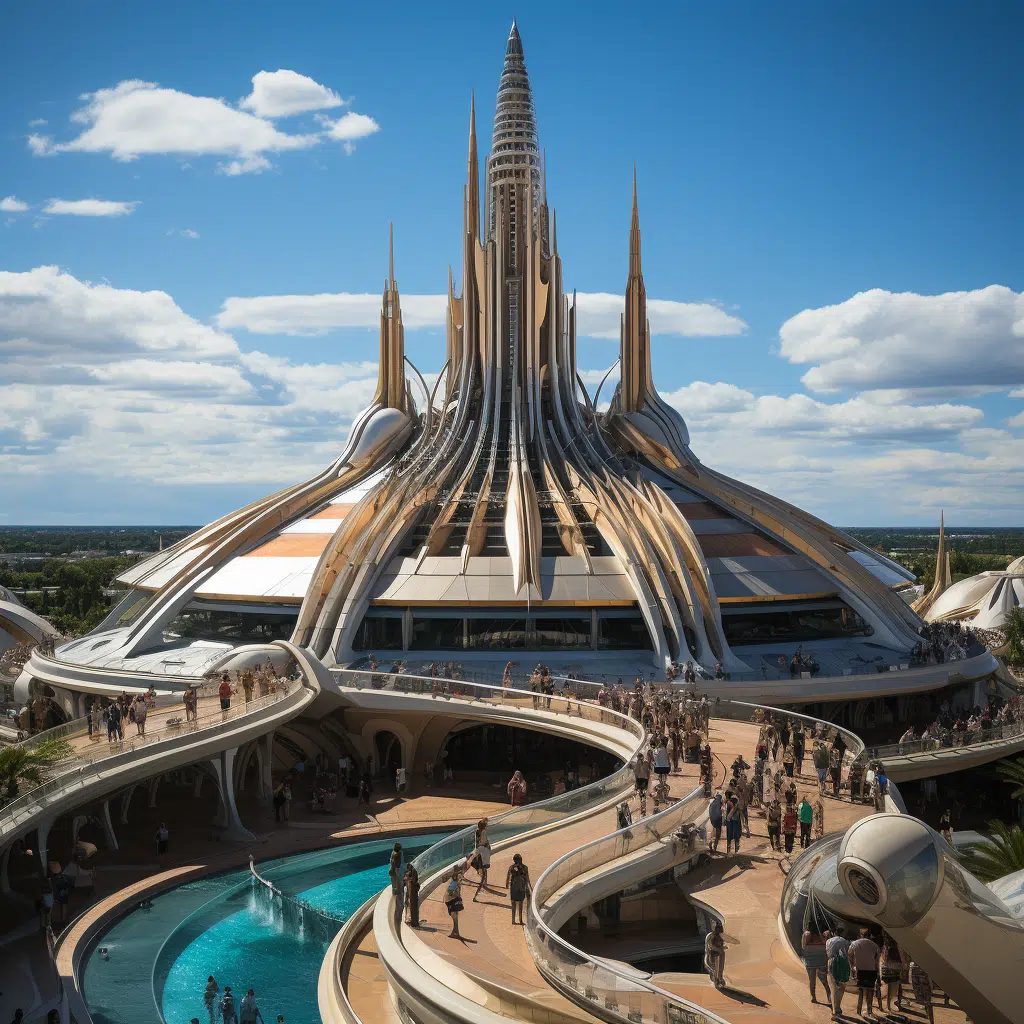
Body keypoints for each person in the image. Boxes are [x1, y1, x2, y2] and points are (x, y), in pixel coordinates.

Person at [847, 927, 880, 1018]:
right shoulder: (874, 945)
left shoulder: (854, 943)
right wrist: (877, 971)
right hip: (871, 970)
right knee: (870, 990)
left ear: (861, 935)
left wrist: (852, 965)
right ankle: (869, 1010)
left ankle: (859, 1010)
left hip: (860, 970)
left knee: (861, 991)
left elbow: (849, 955)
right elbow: (877, 960)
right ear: (869, 936)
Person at [801, 925, 832, 1006]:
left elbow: (804, 949)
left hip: (810, 963)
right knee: (823, 980)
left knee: (812, 980)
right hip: (821, 962)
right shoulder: (821, 939)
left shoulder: (806, 941)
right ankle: (828, 996)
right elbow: (826, 947)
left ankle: (814, 997)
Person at [825, 929, 851, 1020]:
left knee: (833, 986)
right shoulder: (845, 941)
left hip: (831, 961)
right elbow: (847, 953)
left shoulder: (828, 941)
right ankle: (836, 1010)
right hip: (842, 963)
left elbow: (827, 952)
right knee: (841, 985)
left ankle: (835, 1008)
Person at [879, 934, 903, 1015]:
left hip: (886, 968)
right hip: (895, 968)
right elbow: (901, 957)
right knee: (893, 989)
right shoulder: (897, 945)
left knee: (887, 988)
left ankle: (887, 1006)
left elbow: (882, 958)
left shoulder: (884, 946)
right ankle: (890, 1006)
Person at [506, 853, 532, 925]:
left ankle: (513, 920)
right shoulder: (525, 867)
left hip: (514, 887)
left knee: (513, 903)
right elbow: (527, 878)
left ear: (514, 860)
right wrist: (530, 887)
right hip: (521, 887)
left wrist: (507, 885)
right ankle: (520, 920)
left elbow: (508, 877)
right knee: (520, 904)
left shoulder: (511, 867)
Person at [471, 819, 492, 899]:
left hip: (481, 852)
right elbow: (482, 843)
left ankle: (484, 883)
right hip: (482, 852)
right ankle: (483, 885)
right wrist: (487, 845)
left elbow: (479, 842)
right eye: (486, 825)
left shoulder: (478, 831)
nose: (487, 827)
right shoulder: (483, 832)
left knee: (483, 868)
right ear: (484, 827)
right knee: (483, 868)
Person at [704, 921, 726, 988]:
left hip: (719, 954)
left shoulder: (719, 936)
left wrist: (722, 947)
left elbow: (721, 943)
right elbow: (710, 946)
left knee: (720, 969)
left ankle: (719, 979)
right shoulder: (710, 936)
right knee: (714, 969)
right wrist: (719, 949)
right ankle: (716, 980)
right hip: (711, 955)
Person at [445, 865, 465, 939]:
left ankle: (456, 933)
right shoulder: (455, 882)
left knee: (455, 918)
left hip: (451, 901)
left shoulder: (455, 882)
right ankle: (455, 933)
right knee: (455, 918)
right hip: (451, 901)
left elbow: (452, 892)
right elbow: (452, 892)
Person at [389, 843, 404, 911]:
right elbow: (394, 864)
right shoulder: (397, 854)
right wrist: (392, 870)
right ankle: (397, 899)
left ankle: (397, 896)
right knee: (396, 884)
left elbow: (394, 863)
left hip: (396, 870)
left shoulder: (396, 853)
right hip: (395, 870)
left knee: (395, 884)